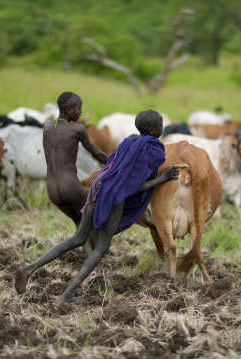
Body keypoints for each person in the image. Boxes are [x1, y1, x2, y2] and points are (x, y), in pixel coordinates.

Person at [15, 109, 179, 302]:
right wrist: (163, 178)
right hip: (114, 196)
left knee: (78, 237)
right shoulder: (154, 150)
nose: (162, 128)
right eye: (161, 125)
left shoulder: (130, 141)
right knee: (101, 248)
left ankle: (28, 269)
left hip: (98, 187)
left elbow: (113, 165)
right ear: (154, 129)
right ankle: (66, 295)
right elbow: (136, 186)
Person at [43, 92, 108, 254]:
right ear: (68, 109)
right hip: (70, 185)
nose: (80, 112)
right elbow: (97, 154)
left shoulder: (47, 128)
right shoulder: (77, 129)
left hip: (52, 189)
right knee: (91, 220)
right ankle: (98, 258)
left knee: (80, 222)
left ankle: (88, 255)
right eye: (79, 109)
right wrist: (117, 163)